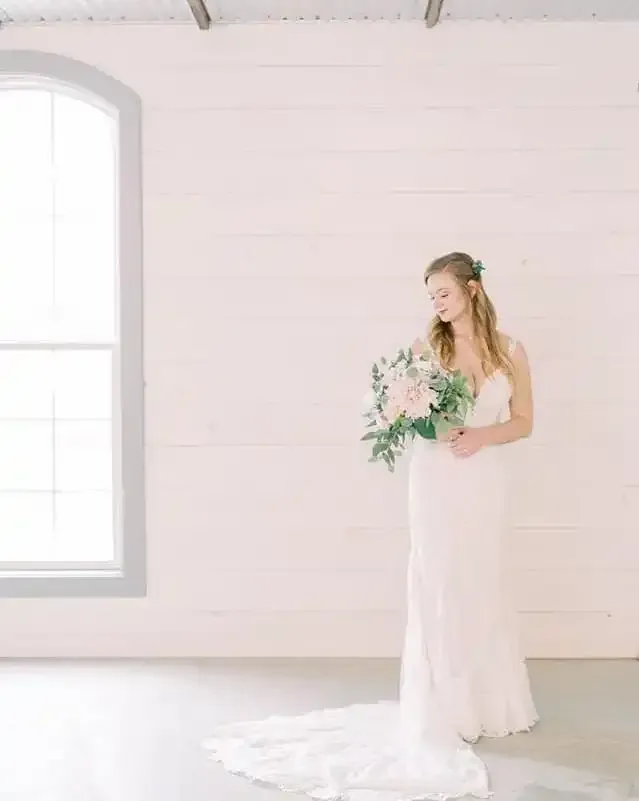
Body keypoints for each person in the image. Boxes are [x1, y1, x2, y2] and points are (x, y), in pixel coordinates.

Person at [202, 252, 539, 801]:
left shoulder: (510, 349)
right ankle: (441, 704)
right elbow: (399, 408)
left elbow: (524, 421)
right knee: (437, 582)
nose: (436, 303)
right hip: (435, 477)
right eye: (430, 295)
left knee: (481, 580)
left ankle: (485, 699)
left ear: (473, 289)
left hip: (485, 481)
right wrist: (417, 415)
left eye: (444, 292)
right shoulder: (429, 348)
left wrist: (481, 436)